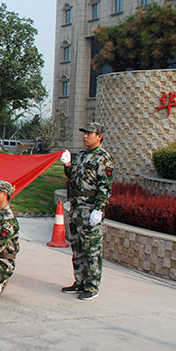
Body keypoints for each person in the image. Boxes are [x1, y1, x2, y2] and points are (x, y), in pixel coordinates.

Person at [60, 122, 114, 301]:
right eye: (84, 133)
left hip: (90, 208)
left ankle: (92, 285)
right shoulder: (82, 155)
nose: (85, 136)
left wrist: (99, 209)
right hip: (77, 208)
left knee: (92, 250)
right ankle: (80, 281)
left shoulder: (103, 158)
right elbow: (74, 178)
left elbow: (105, 187)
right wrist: (68, 165)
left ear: (99, 136)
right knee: (77, 247)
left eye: (89, 133)